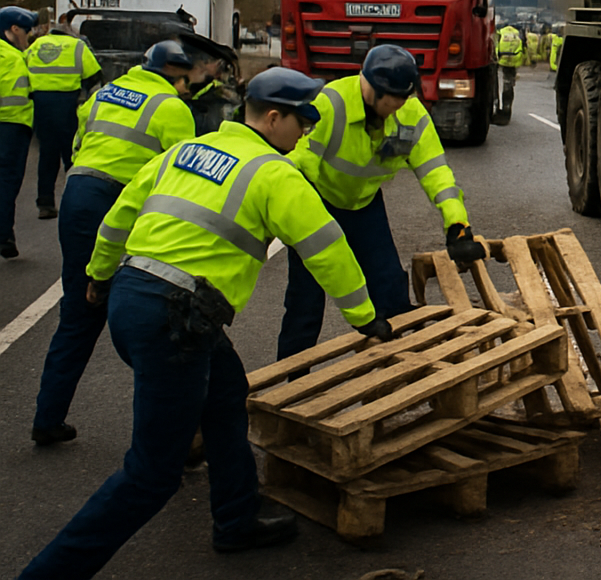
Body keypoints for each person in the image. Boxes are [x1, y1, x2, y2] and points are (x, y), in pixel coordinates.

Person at [16, 67, 391, 579]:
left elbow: (121, 215)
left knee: (226, 393)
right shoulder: (274, 173)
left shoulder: (185, 151)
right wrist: (366, 319)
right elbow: (326, 249)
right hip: (177, 319)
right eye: (302, 122)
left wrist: (99, 275)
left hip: (134, 297)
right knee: (151, 474)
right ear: (273, 117)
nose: (306, 133)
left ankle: (236, 519)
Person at [30, 40, 199, 445]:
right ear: (175, 76)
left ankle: (47, 418)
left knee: (78, 311)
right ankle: (175, 434)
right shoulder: (171, 107)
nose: (187, 89)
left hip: (77, 196)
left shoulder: (106, 92)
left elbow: (77, 144)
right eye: (185, 81)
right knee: (151, 316)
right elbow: (180, 172)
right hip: (121, 204)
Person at [276, 43, 482, 360]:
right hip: (318, 205)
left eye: (404, 98)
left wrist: (457, 224)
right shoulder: (331, 104)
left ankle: (396, 368)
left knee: (389, 289)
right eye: (391, 100)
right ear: (371, 88)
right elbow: (300, 163)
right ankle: (290, 380)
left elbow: (436, 172)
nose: (397, 108)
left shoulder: (410, 115)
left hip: (365, 206)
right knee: (306, 300)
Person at [26, 12, 103, 219]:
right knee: (72, 156)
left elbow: (23, 71)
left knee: (47, 156)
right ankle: (75, 202)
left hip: (41, 107)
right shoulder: (78, 46)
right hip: (68, 107)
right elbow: (94, 76)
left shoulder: (37, 45)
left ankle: (45, 203)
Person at [0, 5, 40, 259]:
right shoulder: (12, 58)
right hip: (11, 128)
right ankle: (4, 236)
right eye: (26, 31)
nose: (28, 37)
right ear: (14, 30)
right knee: (6, 182)